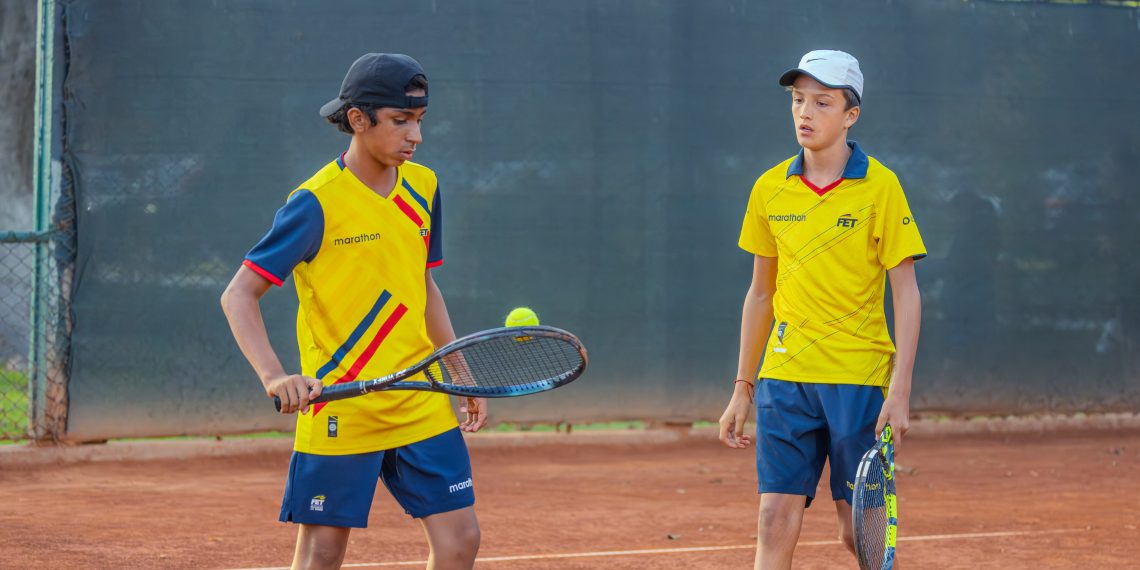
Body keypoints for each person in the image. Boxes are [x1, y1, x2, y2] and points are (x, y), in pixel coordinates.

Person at [220, 53, 485, 570]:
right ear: (359, 119)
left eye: (420, 120)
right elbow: (238, 294)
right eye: (400, 121)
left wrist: (457, 368)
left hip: (419, 396)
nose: (415, 136)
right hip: (342, 405)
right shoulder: (314, 203)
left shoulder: (424, 186)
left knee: (460, 541)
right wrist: (275, 377)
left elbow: (423, 284)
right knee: (322, 553)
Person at [717, 49, 925, 569]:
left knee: (858, 534)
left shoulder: (881, 187)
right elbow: (760, 294)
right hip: (785, 377)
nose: (805, 113)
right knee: (772, 517)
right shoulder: (769, 188)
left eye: (822, 102)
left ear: (851, 115)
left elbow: (906, 292)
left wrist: (900, 391)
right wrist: (742, 386)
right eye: (798, 100)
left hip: (857, 378)